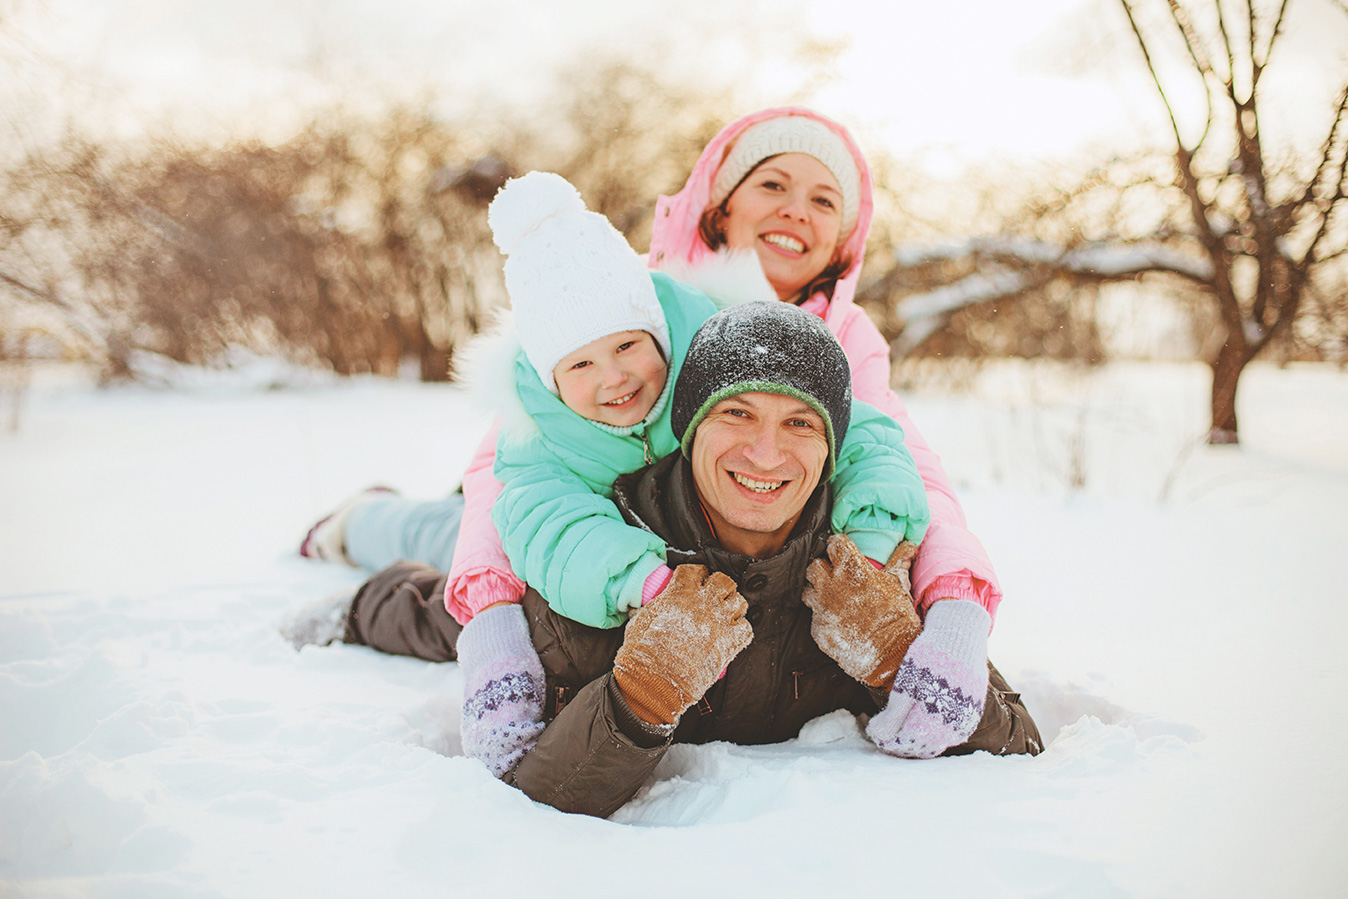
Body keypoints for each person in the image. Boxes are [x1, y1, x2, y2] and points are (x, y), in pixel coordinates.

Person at [300, 107, 1006, 755]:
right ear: (721, 204)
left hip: (708, 550)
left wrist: (955, 601)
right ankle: (356, 526)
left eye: (825, 199)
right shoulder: (628, 304)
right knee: (451, 554)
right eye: (773, 184)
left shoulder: (845, 335)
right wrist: (487, 616)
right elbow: (508, 477)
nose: (798, 209)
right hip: (577, 519)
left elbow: (904, 465)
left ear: (842, 237)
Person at [288, 302, 1041, 819]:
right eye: (736, 413)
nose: (766, 452)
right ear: (688, 425)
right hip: (538, 569)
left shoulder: (868, 563)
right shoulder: (606, 555)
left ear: (833, 446)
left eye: (799, 423)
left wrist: (895, 654)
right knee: (438, 614)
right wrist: (640, 694)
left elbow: (1015, 733)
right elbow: (531, 790)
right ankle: (360, 582)